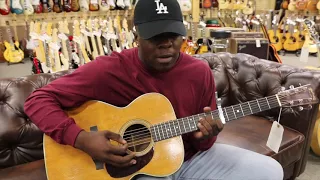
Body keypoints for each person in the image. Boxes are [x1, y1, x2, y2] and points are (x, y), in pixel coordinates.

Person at [24, 0, 284, 179]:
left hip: (190, 159)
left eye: (173, 36)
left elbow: (205, 144)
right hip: (139, 169)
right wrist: (81, 139)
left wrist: (207, 135)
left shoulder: (199, 71)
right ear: (137, 35)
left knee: (271, 171)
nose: (166, 45)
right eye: (155, 37)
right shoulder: (109, 70)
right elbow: (38, 99)